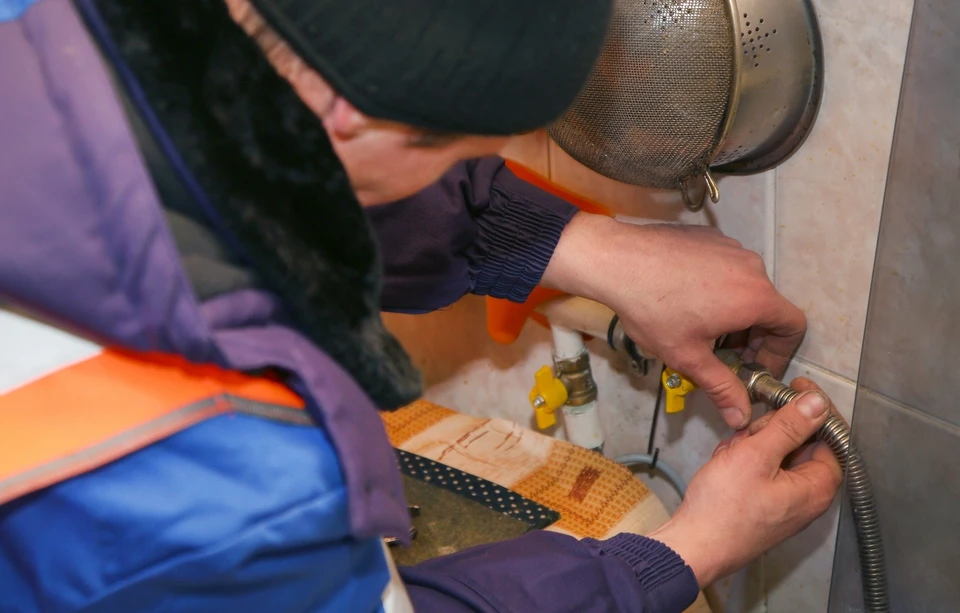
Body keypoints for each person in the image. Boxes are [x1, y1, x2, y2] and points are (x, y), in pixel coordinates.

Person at [0, 0, 842, 611]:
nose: (455, 179)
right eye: (460, 158)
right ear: (348, 118)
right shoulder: (237, 479)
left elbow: (248, 172)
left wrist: (582, 246)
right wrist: (681, 554)